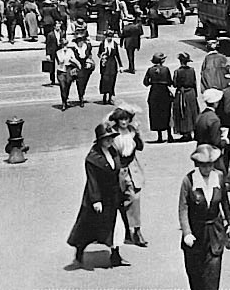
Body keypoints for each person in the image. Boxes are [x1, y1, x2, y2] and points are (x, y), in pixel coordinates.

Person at [67, 123, 129, 267]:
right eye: (107, 139)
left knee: (117, 226)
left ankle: (116, 256)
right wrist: (96, 200)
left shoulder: (113, 151)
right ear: (99, 140)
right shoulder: (92, 158)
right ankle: (80, 247)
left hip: (113, 196)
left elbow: (119, 167)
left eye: (111, 138)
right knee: (90, 227)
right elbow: (92, 180)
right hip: (99, 197)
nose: (110, 141)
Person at [178, 145, 230, 290]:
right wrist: (187, 233)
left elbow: (224, 201)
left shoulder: (219, 177)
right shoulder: (189, 181)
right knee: (195, 276)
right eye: (204, 165)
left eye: (210, 165)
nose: (207, 168)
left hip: (215, 233)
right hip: (196, 233)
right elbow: (183, 208)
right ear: (197, 164)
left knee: (212, 276)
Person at [110, 107, 148, 248]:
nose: (124, 122)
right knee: (120, 201)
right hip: (118, 169)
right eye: (121, 119)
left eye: (126, 119)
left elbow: (140, 147)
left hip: (132, 167)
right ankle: (125, 230)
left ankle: (137, 231)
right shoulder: (112, 133)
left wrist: (138, 134)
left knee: (134, 197)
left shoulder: (132, 131)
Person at [143, 52, 174, 142]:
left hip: (154, 92)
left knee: (155, 113)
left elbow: (145, 83)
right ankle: (169, 135)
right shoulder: (166, 69)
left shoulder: (150, 70)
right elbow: (169, 82)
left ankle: (159, 136)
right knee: (166, 113)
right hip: (164, 92)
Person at [173, 52, 200, 142]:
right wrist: (195, 94)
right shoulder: (192, 70)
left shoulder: (177, 71)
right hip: (191, 92)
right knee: (193, 112)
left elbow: (175, 84)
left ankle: (186, 133)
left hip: (182, 93)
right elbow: (194, 82)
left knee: (183, 113)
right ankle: (195, 131)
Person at [98, 30, 123, 105]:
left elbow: (117, 55)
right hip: (105, 64)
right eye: (108, 36)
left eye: (111, 37)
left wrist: (120, 65)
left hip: (112, 63)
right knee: (105, 79)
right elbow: (99, 53)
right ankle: (104, 96)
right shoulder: (102, 44)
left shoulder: (114, 44)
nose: (109, 38)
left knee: (112, 80)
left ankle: (110, 97)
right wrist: (102, 56)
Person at [56, 40, 80, 110]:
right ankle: (63, 102)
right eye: (63, 45)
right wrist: (67, 58)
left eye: (65, 45)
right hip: (61, 71)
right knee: (62, 86)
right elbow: (61, 60)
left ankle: (65, 99)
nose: (65, 47)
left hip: (69, 70)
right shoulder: (58, 52)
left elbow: (74, 59)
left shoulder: (70, 51)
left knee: (67, 86)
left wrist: (78, 64)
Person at [45, 20, 66, 86]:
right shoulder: (50, 34)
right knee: (52, 66)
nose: (58, 27)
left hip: (59, 50)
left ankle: (62, 78)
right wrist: (48, 54)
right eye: (57, 26)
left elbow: (64, 41)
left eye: (59, 25)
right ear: (54, 27)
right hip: (52, 51)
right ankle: (52, 80)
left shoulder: (62, 33)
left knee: (62, 64)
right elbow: (48, 45)